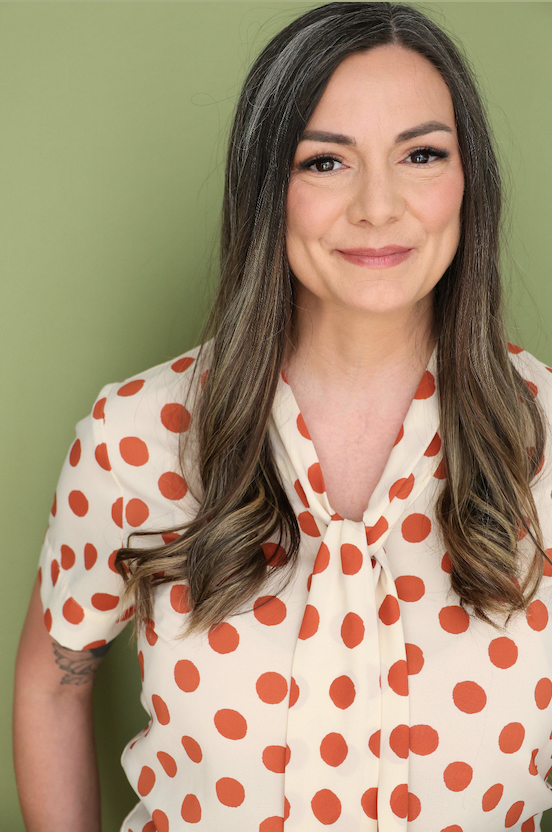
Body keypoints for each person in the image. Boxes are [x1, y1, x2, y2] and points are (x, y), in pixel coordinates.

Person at [13, 2, 552, 830]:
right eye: (326, 163)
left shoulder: (544, 437)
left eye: (421, 154)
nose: (379, 206)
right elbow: (55, 679)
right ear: (268, 187)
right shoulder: (136, 436)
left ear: (467, 178)